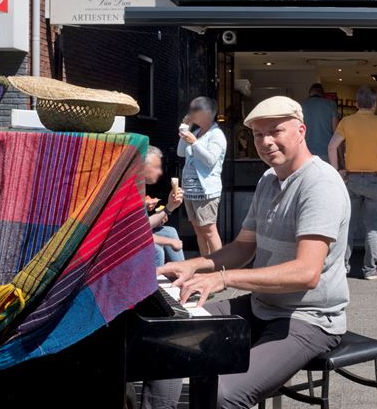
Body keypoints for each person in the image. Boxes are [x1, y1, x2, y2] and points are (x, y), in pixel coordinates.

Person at [145, 96, 351, 409]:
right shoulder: (269, 179)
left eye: (276, 131)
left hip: (307, 318)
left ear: (301, 131)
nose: (266, 141)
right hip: (260, 306)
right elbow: (243, 247)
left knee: (222, 393)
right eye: (257, 134)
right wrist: (194, 266)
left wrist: (223, 279)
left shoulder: (320, 183)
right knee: (167, 333)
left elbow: (306, 273)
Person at [328, 85, 377, 280]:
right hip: (375, 180)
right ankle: (369, 269)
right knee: (372, 226)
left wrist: (338, 172)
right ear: (375, 104)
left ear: (357, 104)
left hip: (351, 179)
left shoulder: (347, 121)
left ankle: (343, 267)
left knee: (348, 226)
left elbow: (332, 146)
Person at [177, 96, 227, 256]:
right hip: (190, 190)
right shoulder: (197, 132)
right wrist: (186, 128)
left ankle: (220, 267)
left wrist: (194, 142)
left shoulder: (216, 134)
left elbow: (211, 160)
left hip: (206, 191)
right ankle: (205, 265)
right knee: (199, 230)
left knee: (209, 230)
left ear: (208, 113)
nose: (192, 113)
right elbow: (180, 152)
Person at [143, 145, 185, 267]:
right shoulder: (130, 189)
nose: (160, 172)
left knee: (170, 231)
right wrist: (170, 242)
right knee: (157, 250)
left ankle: (183, 275)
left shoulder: (140, 186)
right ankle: (152, 286)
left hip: (135, 233)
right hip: (122, 240)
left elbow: (144, 223)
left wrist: (168, 208)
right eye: (155, 167)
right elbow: (138, 232)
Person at [301, 82, 338, 162]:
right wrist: (341, 158)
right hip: (327, 152)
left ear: (310, 93)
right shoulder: (331, 105)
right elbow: (336, 132)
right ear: (322, 94)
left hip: (307, 152)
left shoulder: (302, 106)